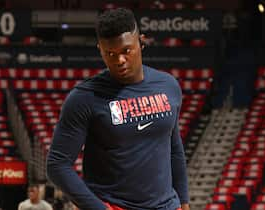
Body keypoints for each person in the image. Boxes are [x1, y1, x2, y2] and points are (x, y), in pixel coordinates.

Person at [46, 8, 190, 210]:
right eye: (110, 53)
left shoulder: (168, 86)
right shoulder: (84, 97)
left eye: (126, 51)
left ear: (141, 41)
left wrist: (183, 201)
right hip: (114, 205)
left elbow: (174, 148)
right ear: (100, 49)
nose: (119, 60)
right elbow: (57, 165)